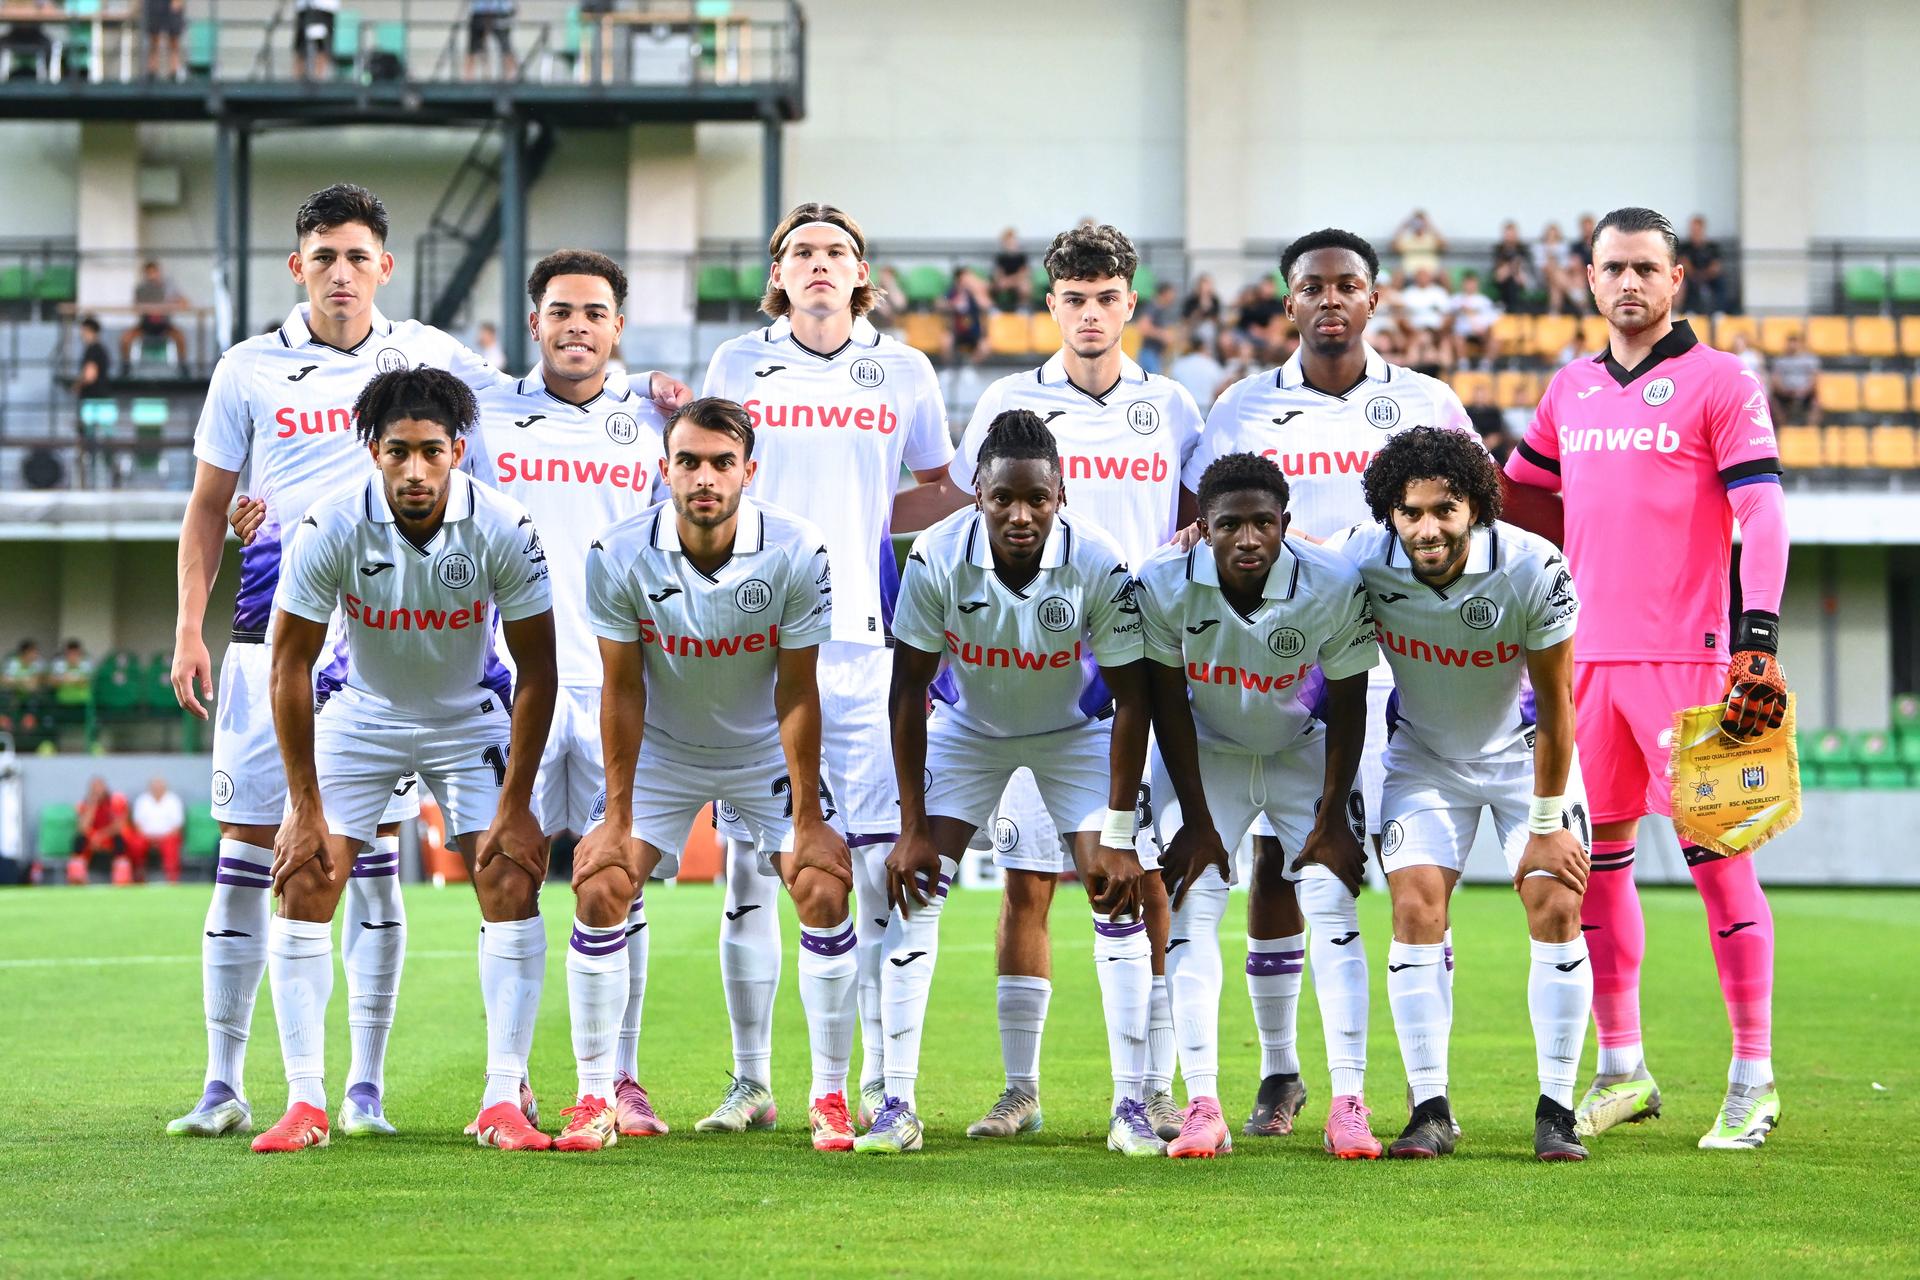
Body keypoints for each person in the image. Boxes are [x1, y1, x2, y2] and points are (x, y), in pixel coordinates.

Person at [168, 184, 648, 1143]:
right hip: (289, 625)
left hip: (431, 642)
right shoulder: (248, 370)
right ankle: (231, 1082)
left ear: (383, 266)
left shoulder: (434, 358)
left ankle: (373, 1089)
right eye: (323, 256)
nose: (340, 273)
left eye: (357, 257)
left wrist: (646, 395)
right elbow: (209, 503)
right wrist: (191, 624)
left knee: (388, 869)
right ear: (296, 264)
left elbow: (537, 390)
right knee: (260, 855)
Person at [1180, 227, 1475, 1156]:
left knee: (1412, 874)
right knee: (1279, 861)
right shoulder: (1237, 408)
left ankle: (1429, 1091)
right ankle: (1280, 1070)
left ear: (1376, 297)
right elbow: (1203, 530)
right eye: (1314, 287)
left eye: (1349, 284)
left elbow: (1468, 529)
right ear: (1290, 301)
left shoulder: (1429, 403)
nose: (1332, 299)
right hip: (1281, 674)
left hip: (1402, 669)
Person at [1505, 206, 1790, 1150]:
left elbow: (1764, 511)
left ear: (1677, 281)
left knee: (1720, 867)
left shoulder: (1721, 383)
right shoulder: (1569, 390)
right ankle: (1623, 1068)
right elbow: (1518, 499)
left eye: (1645, 268)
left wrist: (1758, 638)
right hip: (1584, 667)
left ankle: (1754, 1077)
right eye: (1611, 268)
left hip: (1694, 670)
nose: (1628, 284)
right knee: (1597, 874)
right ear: (1588, 280)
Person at [699, 202, 957, 1136]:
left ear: (861, 274)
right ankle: (751, 1080)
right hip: (757, 648)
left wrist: (867, 524)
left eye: (836, 252)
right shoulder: (737, 364)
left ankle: (885, 1087)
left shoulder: (904, 369)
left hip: (863, 645)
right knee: (752, 870)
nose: (818, 263)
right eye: (801, 251)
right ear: (779, 273)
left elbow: (939, 480)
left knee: (882, 869)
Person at [252, 367, 556, 1154]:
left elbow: (540, 669)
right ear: (372, 451)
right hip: (362, 714)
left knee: (509, 878)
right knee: (308, 876)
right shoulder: (328, 524)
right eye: (398, 453)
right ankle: (305, 1101)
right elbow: (289, 665)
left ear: (458, 450)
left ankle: (502, 1098)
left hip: (466, 716)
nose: (415, 471)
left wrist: (519, 800)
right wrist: (303, 805)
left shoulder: (505, 524)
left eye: (431, 452)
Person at [946, 223, 1204, 1144]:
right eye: (1073, 299)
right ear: (1049, 305)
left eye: (1106, 299)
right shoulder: (1009, 403)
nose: (1090, 315)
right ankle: (1021, 1089)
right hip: (1033, 673)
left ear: (1130, 303)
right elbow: (967, 518)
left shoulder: (1171, 406)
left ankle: (1154, 1086)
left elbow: (1203, 512)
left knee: (1144, 876)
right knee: (1026, 879)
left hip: (1139, 675)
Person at [860, 410, 1157, 1156]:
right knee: (915, 890)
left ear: (1062, 492)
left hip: (1075, 735)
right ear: (979, 497)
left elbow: (1134, 699)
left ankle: (1132, 1108)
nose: (1020, 515)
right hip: (969, 733)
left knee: (1113, 892)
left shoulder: (1099, 558)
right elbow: (908, 694)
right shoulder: (934, 555)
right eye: (1002, 500)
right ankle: (896, 1104)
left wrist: (1119, 836)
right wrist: (910, 824)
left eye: (1037, 499)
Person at [579, 396, 854, 1153]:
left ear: (748, 472)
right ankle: (593, 1095)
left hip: (762, 748)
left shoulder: (798, 548)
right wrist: (614, 816)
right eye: (689, 461)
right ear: (664, 470)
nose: (705, 477)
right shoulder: (617, 550)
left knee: (823, 886)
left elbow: (798, 690)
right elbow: (622, 687)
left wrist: (806, 819)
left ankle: (829, 1095)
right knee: (602, 883)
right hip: (665, 749)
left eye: (721, 463)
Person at [462, 249, 671, 1140]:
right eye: (560, 311)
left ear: (616, 327)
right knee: (506, 873)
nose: (576, 326)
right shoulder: (486, 415)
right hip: (517, 685)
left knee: (618, 884)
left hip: (623, 684)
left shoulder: (658, 422)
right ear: (535, 322)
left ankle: (619, 1078)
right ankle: (504, 1086)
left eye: (593, 312)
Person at [1345, 426, 1592, 1161]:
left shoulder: (1532, 566)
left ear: (1476, 509)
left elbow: (1557, 706)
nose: (1426, 528)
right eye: (1410, 511)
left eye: (1444, 510)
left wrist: (1548, 823)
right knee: (1416, 905)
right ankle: (1428, 1110)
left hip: (1523, 757)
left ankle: (1556, 1111)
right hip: (1424, 757)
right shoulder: (1362, 558)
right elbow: (1289, 562)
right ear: (1390, 512)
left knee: (1555, 900)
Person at [1138, 452, 1375, 1158]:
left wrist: (1333, 817)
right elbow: (1162, 700)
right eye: (1230, 525)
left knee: (1333, 905)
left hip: (1305, 749)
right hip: (1207, 750)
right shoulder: (1162, 579)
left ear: (1286, 525)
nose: (1248, 539)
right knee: (1192, 905)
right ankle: (1203, 1101)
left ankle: (1349, 1102)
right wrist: (1199, 822)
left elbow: (1349, 697)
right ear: (1201, 528)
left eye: (1262, 523)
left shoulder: (1331, 581)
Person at [121, 261, 189, 372]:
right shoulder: (141, 289)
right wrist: (148, 309)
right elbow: (136, 308)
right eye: (149, 273)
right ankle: (126, 366)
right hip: (145, 326)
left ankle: (183, 366)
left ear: (159, 273)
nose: (152, 276)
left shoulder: (169, 288)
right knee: (125, 339)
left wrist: (169, 304)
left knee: (180, 337)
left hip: (164, 326)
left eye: (154, 273)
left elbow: (184, 303)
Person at [72, 776, 132, 879]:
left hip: (109, 836)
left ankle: (121, 871)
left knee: (121, 838)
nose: (97, 790)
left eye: (99, 787)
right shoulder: (84, 805)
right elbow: (82, 827)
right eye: (94, 787)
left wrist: (101, 835)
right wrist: (92, 805)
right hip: (92, 838)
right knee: (79, 839)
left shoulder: (116, 801)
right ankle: (78, 874)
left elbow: (119, 825)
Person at [129, 776, 187, 884]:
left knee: (172, 843)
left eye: (160, 786)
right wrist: (150, 838)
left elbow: (177, 826)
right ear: (150, 787)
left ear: (165, 787)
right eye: (154, 786)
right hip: (146, 837)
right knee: (136, 843)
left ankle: (172, 879)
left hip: (167, 837)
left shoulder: (173, 800)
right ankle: (138, 877)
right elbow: (137, 824)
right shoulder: (142, 800)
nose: (157, 789)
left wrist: (161, 838)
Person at [1449, 272, 1500, 364]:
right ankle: (1463, 364)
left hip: (1482, 332)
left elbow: (1492, 319)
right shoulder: (1455, 299)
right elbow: (1450, 316)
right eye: (1467, 283)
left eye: (1472, 283)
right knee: (1456, 337)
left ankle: (1486, 364)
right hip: (1462, 332)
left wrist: (1484, 329)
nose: (1470, 286)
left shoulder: (1485, 300)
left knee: (1495, 339)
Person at [943, 265, 991, 365]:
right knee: (945, 341)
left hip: (974, 331)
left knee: (985, 346)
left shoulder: (975, 293)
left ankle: (970, 367)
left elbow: (986, 305)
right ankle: (949, 368)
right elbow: (940, 304)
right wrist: (952, 304)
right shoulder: (953, 292)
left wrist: (976, 291)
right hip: (957, 331)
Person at [1681, 215, 1728, 314]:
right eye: (1693, 230)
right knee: (1683, 281)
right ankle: (1689, 310)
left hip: (1709, 277)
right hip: (1691, 277)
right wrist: (1695, 274)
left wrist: (1705, 274)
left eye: (1697, 230)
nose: (1695, 232)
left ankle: (1719, 311)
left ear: (1703, 230)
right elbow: (1684, 264)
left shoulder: (1712, 247)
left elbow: (1716, 266)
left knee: (1721, 280)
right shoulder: (1685, 247)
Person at [1769, 331, 1819, 425]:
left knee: (1816, 403)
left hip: (1805, 393)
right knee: (1774, 402)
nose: (1792, 345)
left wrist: (1804, 390)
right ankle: (1783, 429)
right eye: (1790, 342)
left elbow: (1814, 378)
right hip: (1785, 393)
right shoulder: (1780, 361)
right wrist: (1784, 390)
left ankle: (1811, 429)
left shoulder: (1810, 360)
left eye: (1795, 342)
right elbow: (1775, 378)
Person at [465, 0, 517, 81]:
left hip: (500, 13)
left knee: (506, 49)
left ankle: (512, 78)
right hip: (479, 13)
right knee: (473, 50)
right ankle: (468, 80)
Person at [1491, 221, 1536, 314]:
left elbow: (1526, 271)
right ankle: (1511, 310)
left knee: (1514, 280)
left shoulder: (1523, 249)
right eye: (1508, 234)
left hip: (1521, 278)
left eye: (1512, 234)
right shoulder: (1499, 249)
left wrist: (1515, 270)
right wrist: (1512, 266)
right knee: (1507, 278)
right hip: (1504, 280)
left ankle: (1509, 308)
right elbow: (1498, 273)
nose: (1510, 237)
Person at [1136, 281, 1179, 374]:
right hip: (1149, 354)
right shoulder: (1153, 306)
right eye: (1172, 294)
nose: (1174, 297)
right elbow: (1142, 327)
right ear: (1165, 293)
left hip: (1155, 354)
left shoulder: (1160, 308)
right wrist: (1162, 335)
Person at [1391, 210, 1446, 277]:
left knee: (1443, 274)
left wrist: (1430, 226)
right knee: (1398, 274)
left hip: (1431, 272)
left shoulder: (1432, 238)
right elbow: (1393, 247)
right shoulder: (1407, 239)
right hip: (1410, 272)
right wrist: (1403, 227)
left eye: (1421, 221)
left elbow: (1444, 246)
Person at [293, 0, 338, 79]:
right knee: (301, 51)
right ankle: (297, 83)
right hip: (304, 9)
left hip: (326, 8)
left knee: (323, 48)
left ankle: (319, 81)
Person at [990, 229, 1030, 312]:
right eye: (1009, 242)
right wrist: (1004, 281)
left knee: (1025, 286)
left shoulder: (1021, 257)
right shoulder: (1000, 258)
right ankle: (995, 309)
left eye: (1013, 241)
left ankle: (1022, 308)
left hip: (1016, 282)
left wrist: (1010, 281)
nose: (1012, 244)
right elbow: (998, 275)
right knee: (995, 285)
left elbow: (1024, 274)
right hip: (1004, 282)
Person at [143, 0, 184, 80]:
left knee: (174, 38)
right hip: (154, 4)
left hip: (172, 4)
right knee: (154, 37)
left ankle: (174, 71)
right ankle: (152, 71)